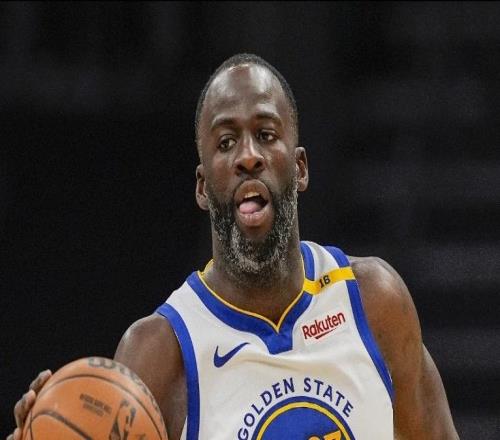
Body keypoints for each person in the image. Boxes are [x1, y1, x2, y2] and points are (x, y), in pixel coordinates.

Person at [8, 53, 459, 440]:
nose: (248, 156)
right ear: (203, 187)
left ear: (300, 168)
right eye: (226, 142)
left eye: (266, 134)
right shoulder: (161, 353)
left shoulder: (374, 301)